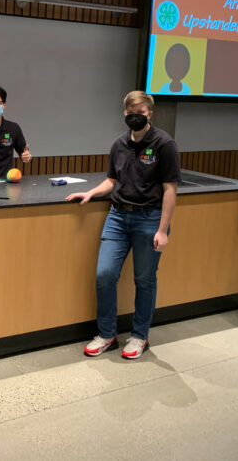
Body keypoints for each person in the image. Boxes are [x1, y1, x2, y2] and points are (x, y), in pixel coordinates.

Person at [66, 91, 180, 360]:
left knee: (144, 280)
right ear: (124, 113)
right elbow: (111, 180)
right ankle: (107, 334)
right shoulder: (119, 144)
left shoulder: (164, 143)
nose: (135, 117)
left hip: (150, 219)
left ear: (150, 113)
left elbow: (170, 189)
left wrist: (162, 230)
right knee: (104, 275)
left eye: (140, 113)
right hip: (117, 217)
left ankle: (140, 336)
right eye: (130, 113)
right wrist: (91, 193)